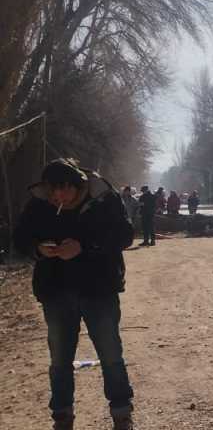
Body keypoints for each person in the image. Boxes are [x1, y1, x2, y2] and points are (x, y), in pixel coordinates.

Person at [13, 159, 136, 430]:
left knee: (110, 353)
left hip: (99, 289)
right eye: (52, 191)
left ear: (78, 185)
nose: (58, 196)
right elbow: (19, 237)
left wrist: (85, 246)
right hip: (56, 291)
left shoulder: (103, 200)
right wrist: (38, 249)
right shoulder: (38, 203)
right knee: (59, 359)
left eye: (64, 190)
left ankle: (121, 412)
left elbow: (125, 234)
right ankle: (62, 416)